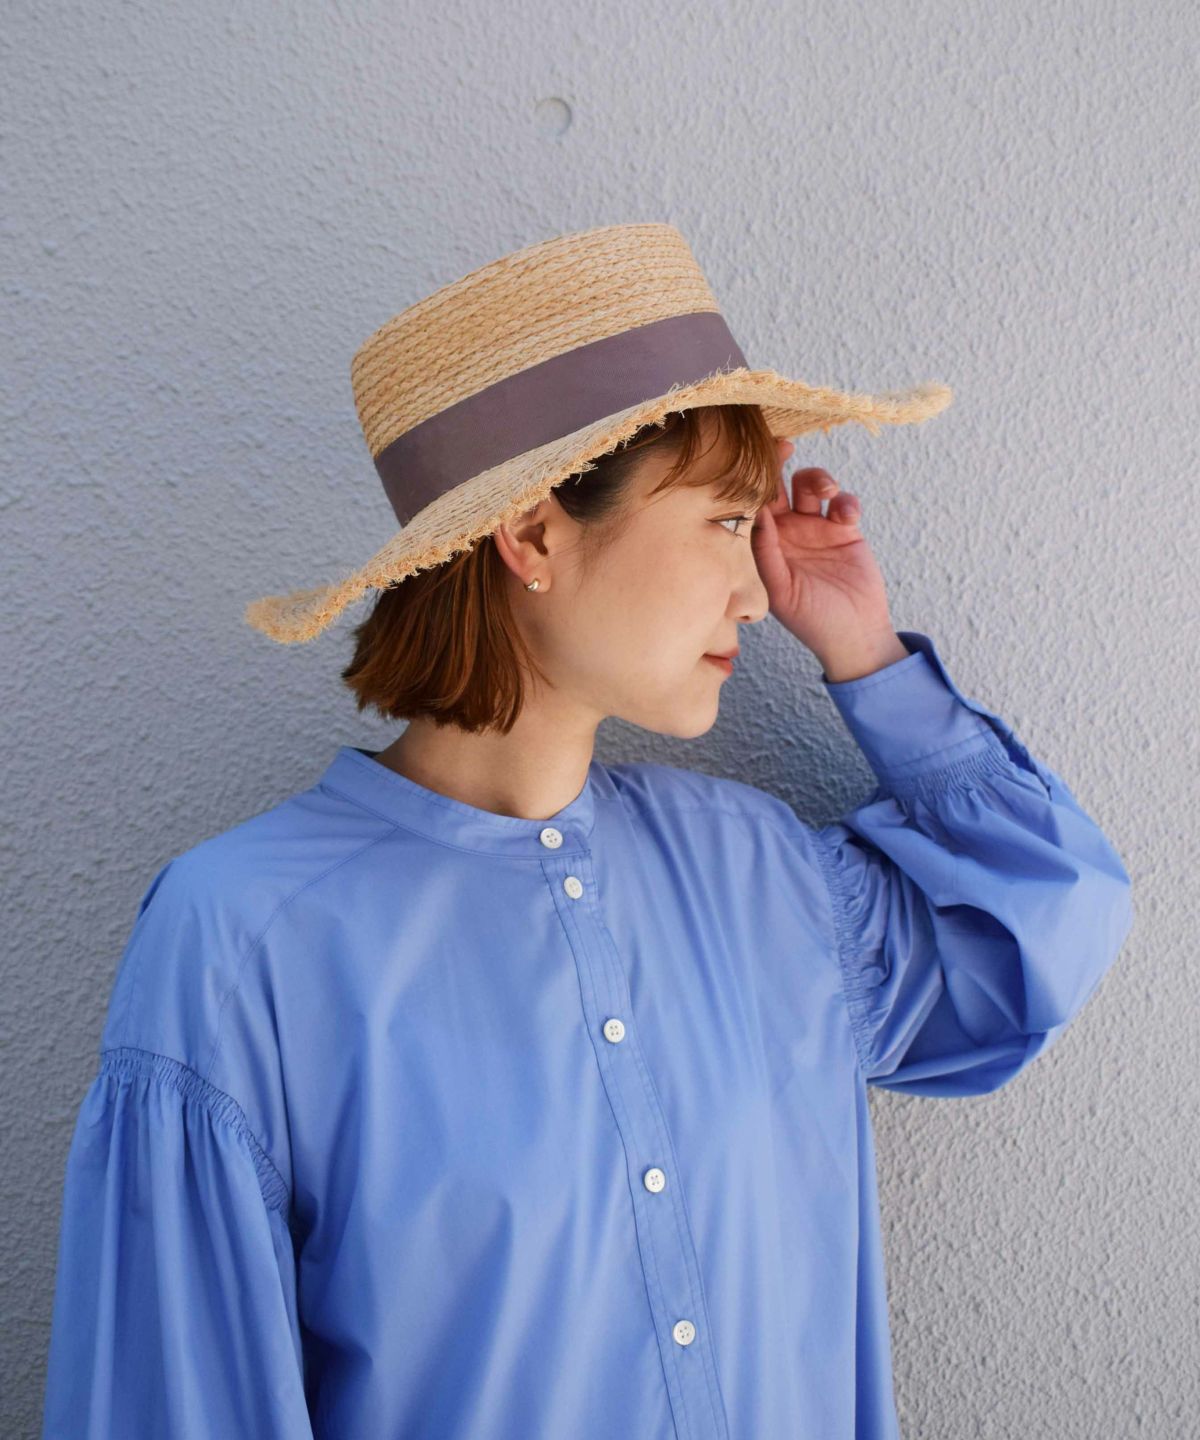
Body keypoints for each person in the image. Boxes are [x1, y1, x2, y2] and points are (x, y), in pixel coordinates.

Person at [40, 223, 1134, 1439]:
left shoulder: (763, 872)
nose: (759, 591)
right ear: (533, 534)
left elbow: (1047, 927)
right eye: (726, 523)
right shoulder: (242, 943)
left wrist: (868, 655)